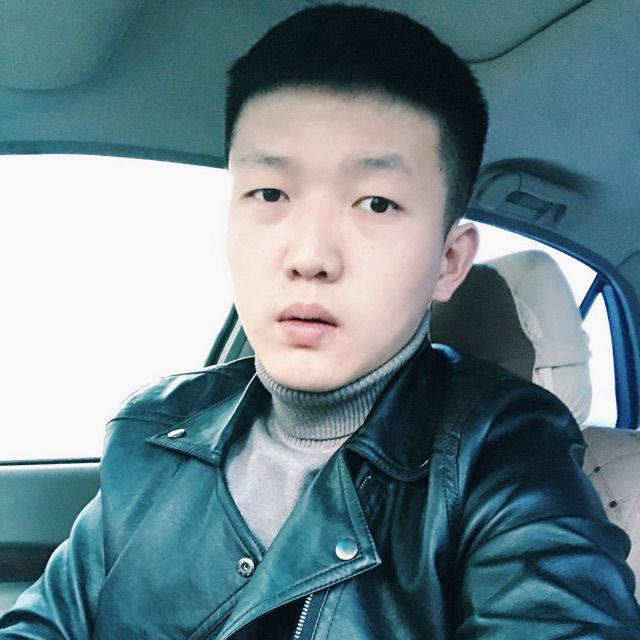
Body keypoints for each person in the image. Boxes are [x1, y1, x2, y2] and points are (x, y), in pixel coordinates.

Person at [2, 4, 639, 638]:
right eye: (269, 193)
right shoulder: (155, 429)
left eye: (377, 203)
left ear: (448, 262)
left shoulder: (504, 453)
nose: (309, 256)